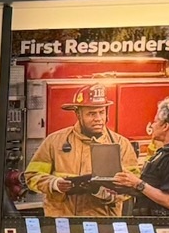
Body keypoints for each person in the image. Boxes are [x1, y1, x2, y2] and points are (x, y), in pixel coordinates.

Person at [23, 85, 142, 216]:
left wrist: (108, 195)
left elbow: (134, 184)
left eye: (101, 112)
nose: (98, 118)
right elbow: (31, 176)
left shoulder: (121, 144)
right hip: (62, 220)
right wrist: (55, 184)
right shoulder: (54, 141)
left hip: (101, 221)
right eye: (91, 114)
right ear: (78, 114)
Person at [113, 97, 169, 218]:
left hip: (166, 225)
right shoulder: (164, 153)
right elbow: (150, 190)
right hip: (150, 223)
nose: (152, 125)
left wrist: (137, 183)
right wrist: (125, 183)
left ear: (165, 126)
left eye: (155, 121)